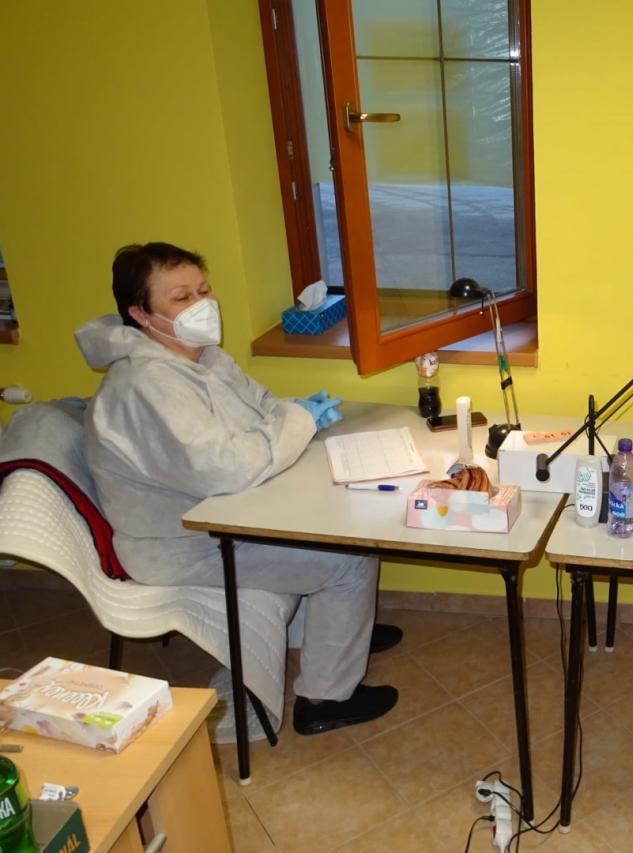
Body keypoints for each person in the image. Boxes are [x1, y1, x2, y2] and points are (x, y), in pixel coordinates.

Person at [75, 242, 399, 735]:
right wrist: (295, 422)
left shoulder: (200, 358)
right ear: (140, 314)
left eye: (203, 290)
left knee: (338, 522)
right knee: (349, 561)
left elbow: (260, 407)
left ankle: (341, 631)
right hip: (184, 545)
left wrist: (295, 411)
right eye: (181, 297)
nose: (202, 305)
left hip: (224, 515)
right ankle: (325, 699)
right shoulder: (145, 385)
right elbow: (225, 469)